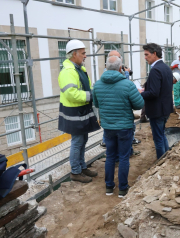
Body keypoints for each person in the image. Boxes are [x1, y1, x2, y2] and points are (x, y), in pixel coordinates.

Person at [92, 56, 144, 197]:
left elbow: (96, 104)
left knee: (110, 156)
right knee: (123, 157)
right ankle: (122, 188)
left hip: (108, 127)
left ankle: (109, 187)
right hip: (124, 127)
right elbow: (139, 104)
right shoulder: (127, 85)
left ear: (106, 67)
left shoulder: (97, 85)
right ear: (121, 68)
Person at [58, 40, 100, 183]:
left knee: (83, 139)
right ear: (74, 54)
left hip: (81, 110)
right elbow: (71, 94)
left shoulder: (78, 69)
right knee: (77, 141)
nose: (85, 56)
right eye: (83, 53)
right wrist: (91, 96)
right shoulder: (68, 72)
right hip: (73, 112)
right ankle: (75, 171)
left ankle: (82, 167)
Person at [99, 51, 141, 148]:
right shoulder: (109, 74)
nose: (118, 60)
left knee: (111, 153)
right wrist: (126, 74)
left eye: (118, 57)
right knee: (123, 152)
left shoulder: (111, 73)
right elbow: (124, 86)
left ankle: (109, 142)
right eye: (115, 57)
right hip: (118, 112)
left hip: (113, 113)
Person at [140, 43, 174, 159]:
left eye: (146, 54)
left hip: (157, 110)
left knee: (158, 138)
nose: (145, 57)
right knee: (162, 134)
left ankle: (161, 162)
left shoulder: (155, 70)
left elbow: (154, 93)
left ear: (154, 54)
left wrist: (141, 93)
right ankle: (165, 159)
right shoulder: (165, 67)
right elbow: (163, 88)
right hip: (165, 108)